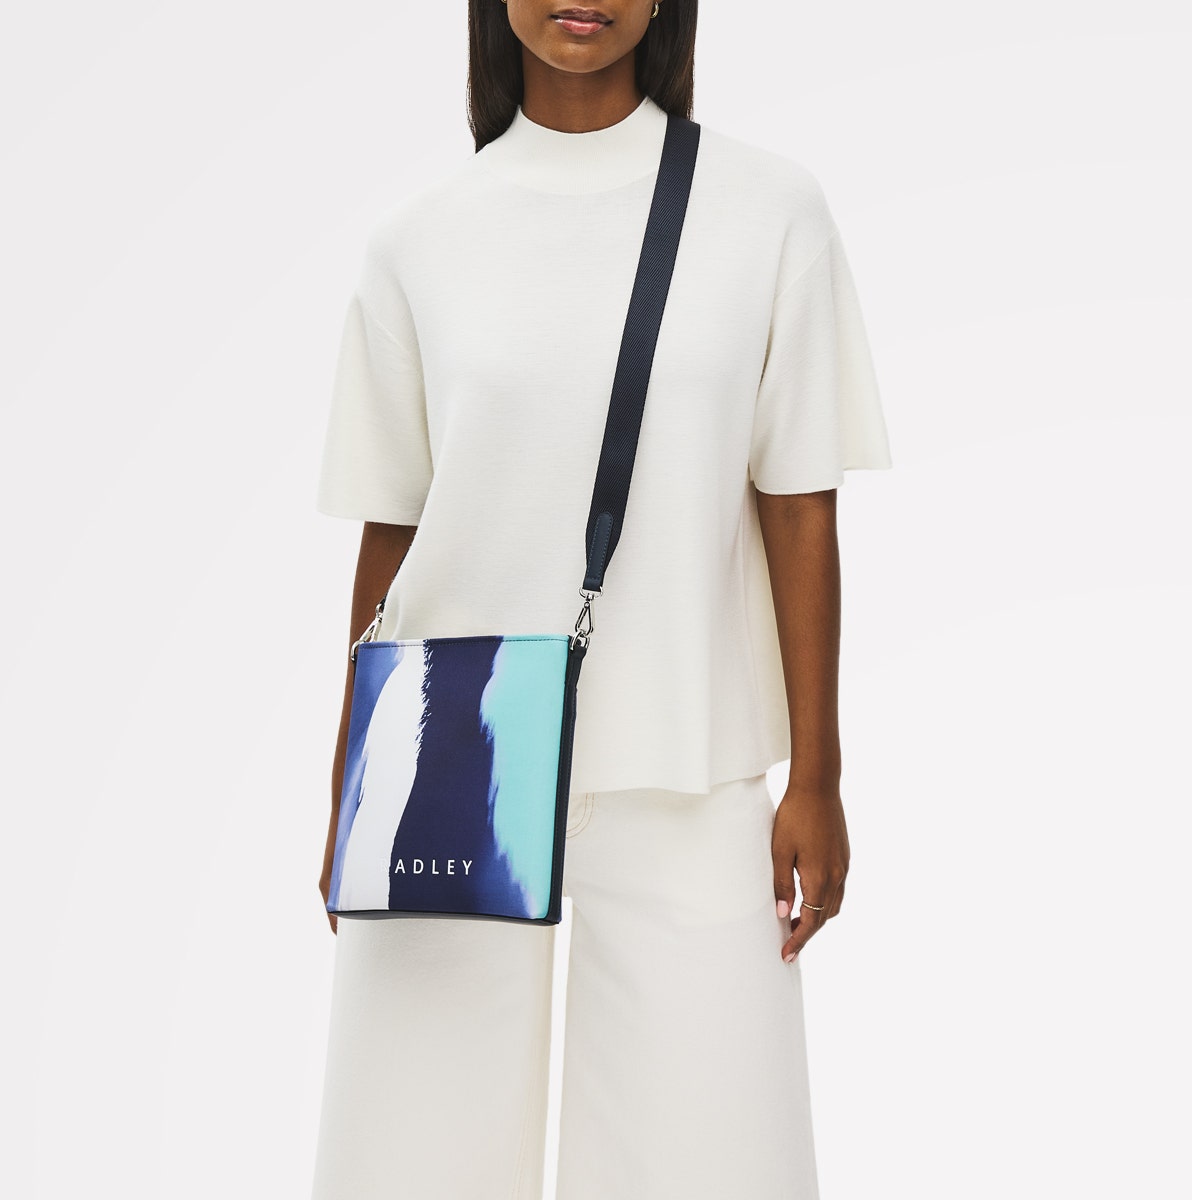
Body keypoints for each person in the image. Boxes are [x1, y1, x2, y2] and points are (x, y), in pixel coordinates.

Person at [309, 2, 892, 1197]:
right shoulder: (417, 242)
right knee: (414, 1154)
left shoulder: (768, 212)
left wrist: (818, 776)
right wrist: (351, 780)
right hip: (452, 759)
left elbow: (798, 506)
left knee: (714, 1156)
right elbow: (394, 525)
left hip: (689, 753)